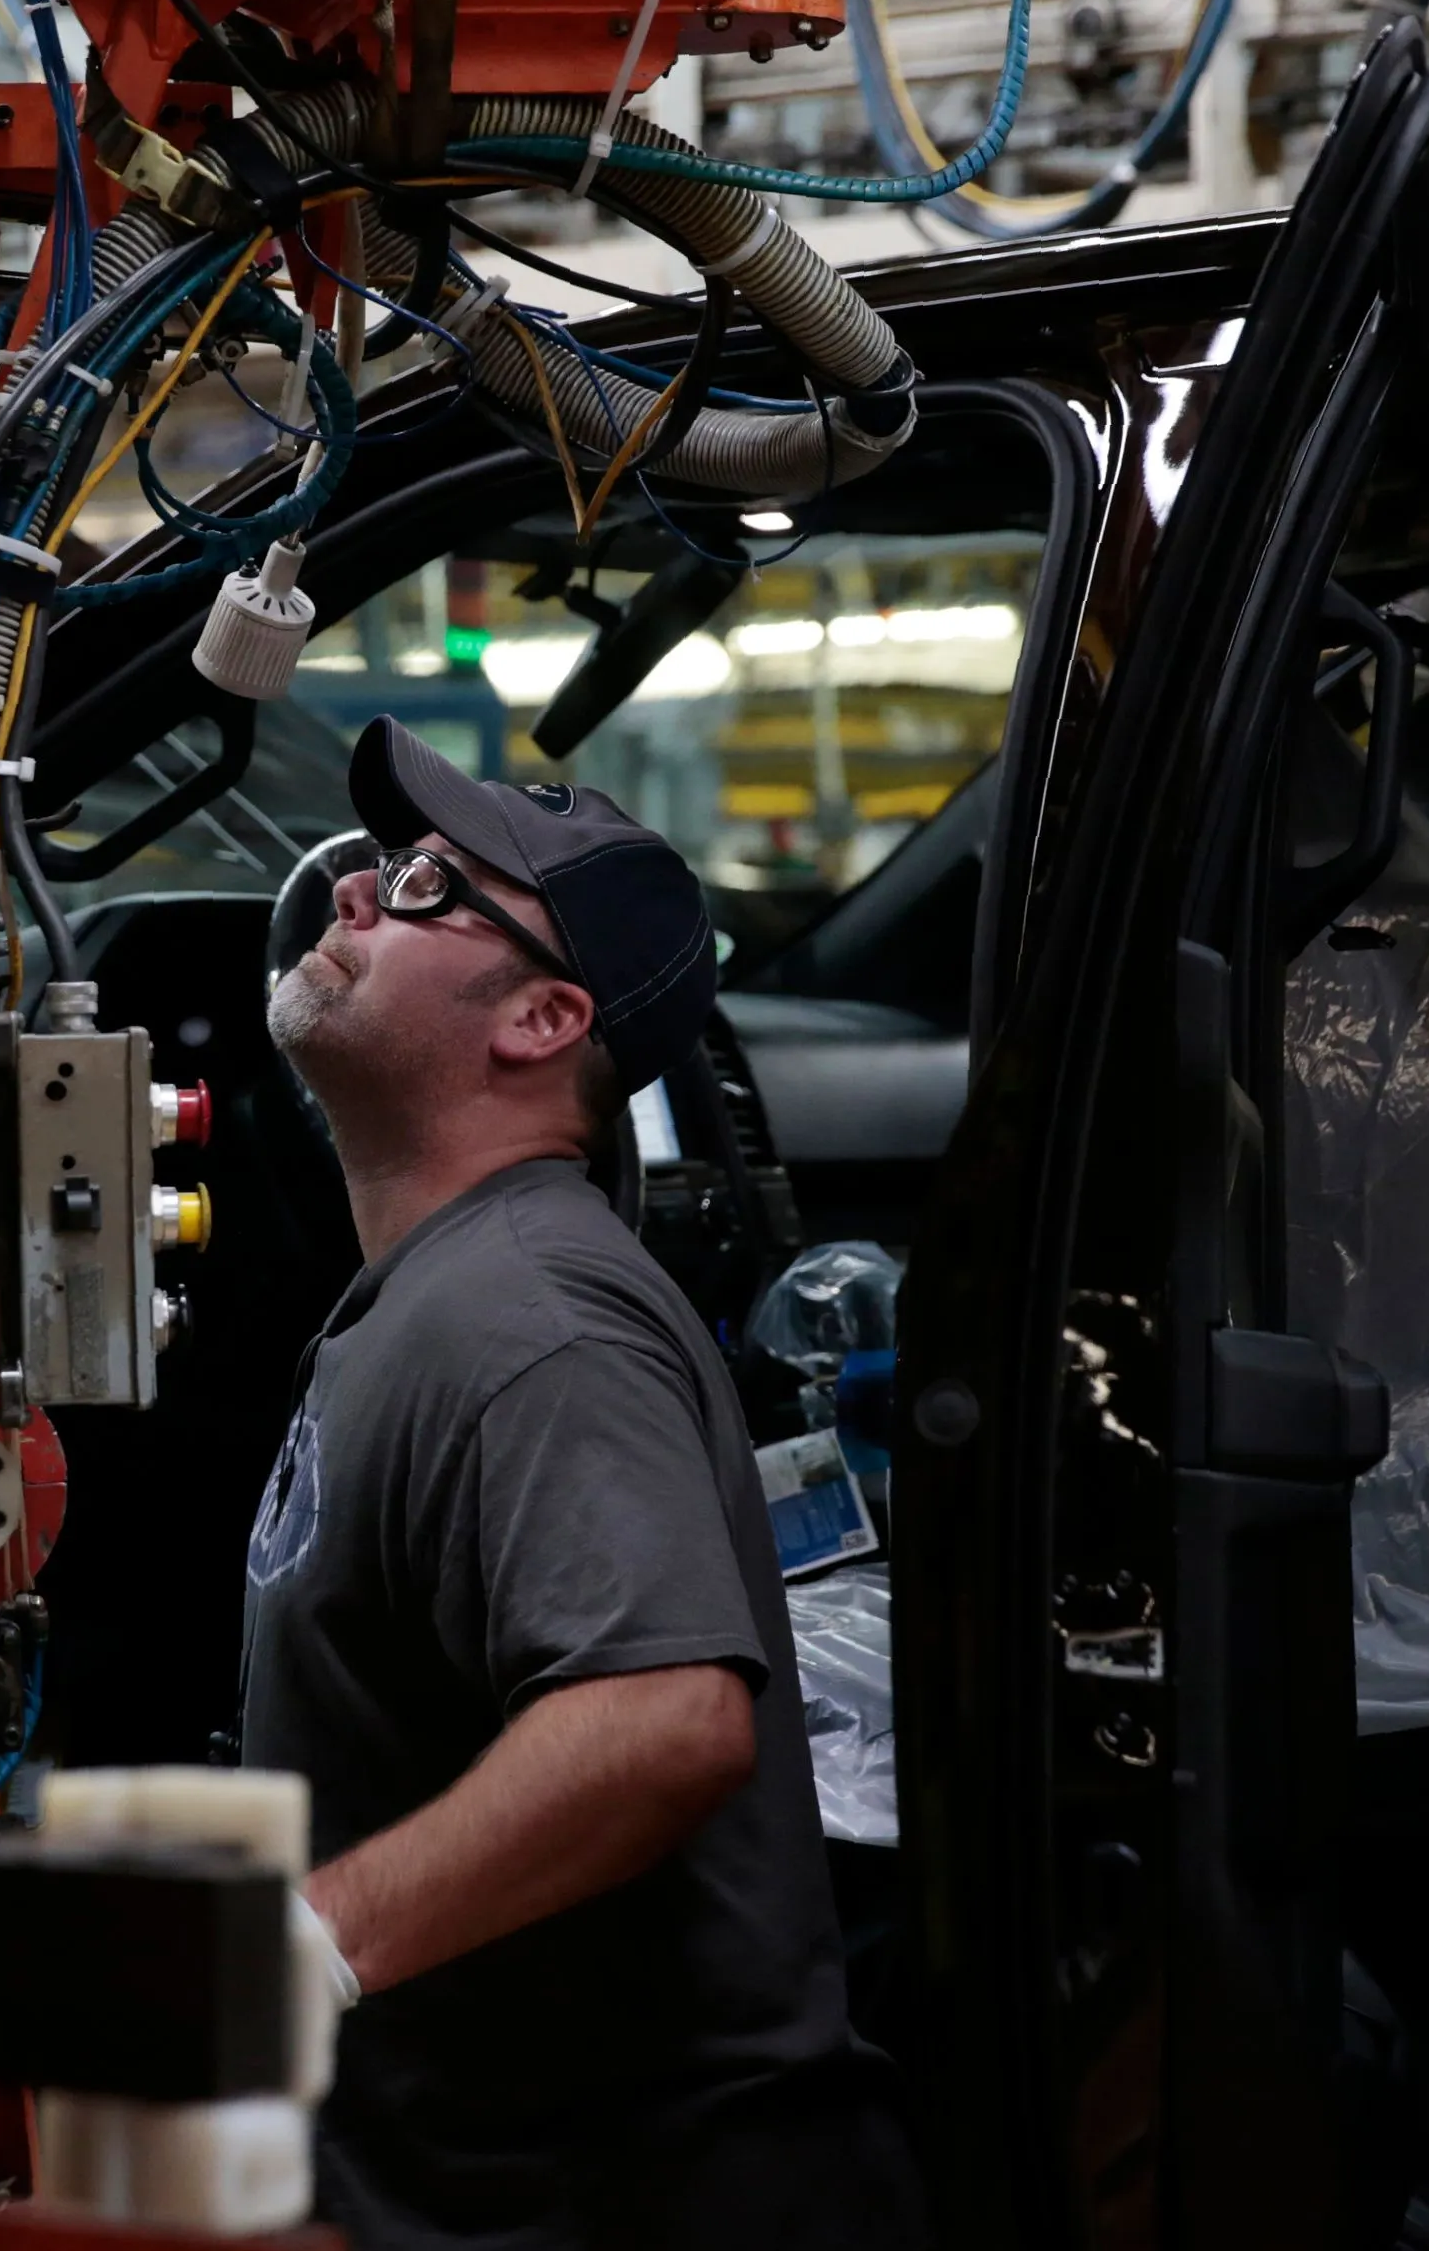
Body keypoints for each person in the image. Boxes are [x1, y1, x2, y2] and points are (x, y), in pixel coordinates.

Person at [241, 717, 924, 2251]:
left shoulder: (530, 1315)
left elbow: (658, 1719)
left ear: (544, 1018)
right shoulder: (447, 1290)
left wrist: (292, 1950)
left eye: (422, 885)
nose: (351, 892)